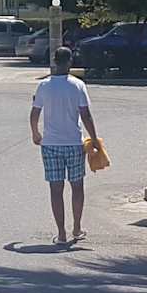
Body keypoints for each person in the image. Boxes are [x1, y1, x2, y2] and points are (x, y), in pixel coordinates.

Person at [29, 46, 98, 246]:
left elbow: (34, 113)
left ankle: (61, 233)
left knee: (55, 188)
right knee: (77, 186)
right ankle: (76, 227)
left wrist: (35, 133)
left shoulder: (44, 86)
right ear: (70, 62)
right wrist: (94, 139)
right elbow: (85, 114)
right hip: (74, 143)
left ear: (54, 61)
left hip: (50, 144)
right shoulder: (78, 85)